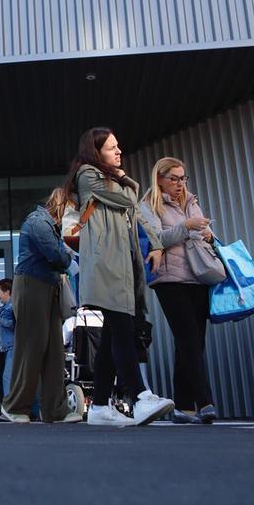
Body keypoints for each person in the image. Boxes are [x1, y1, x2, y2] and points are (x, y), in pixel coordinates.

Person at [63, 127, 174, 427]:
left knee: (114, 333)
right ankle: (139, 397)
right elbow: (128, 199)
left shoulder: (109, 181)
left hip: (120, 266)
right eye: (112, 148)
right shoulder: (88, 174)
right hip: (105, 265)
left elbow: (135, 215)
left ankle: (99, 406)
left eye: (117, 147)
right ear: (95, 152)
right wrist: (126, 180)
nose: (118, 151)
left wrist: (158, 245)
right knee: (123, 329)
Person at [139, 157, 218, 424]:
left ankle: (184, 406)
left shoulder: (192, 202)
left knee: (194, 341)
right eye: (173, 178)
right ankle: (205, 401)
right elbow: (155, 240)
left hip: (198, 276)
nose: (179, 184)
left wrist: (209, 235)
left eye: (183, 178)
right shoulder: (148, 205)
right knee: (188, 338)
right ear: (159, 178)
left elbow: (207, 233)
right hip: (169, 279)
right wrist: (185, 227)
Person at [0, 190, 82, 424]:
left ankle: (54, 409)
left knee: (54, 350)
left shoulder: (48, 225)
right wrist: (72, 258)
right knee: (31, 346)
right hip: (32, 285)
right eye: (72, 209)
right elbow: (55, 255)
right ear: (62, 205)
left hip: (46, 286)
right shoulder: (38, 222)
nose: (74, 216)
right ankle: (15, 405)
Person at [0, 278, 15, 406]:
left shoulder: (11, 307)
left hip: (12, 346)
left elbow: (13, 324)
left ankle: (8, 407)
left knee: (7, 378)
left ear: (7, 292)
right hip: (9, 347)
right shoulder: (7, 307)